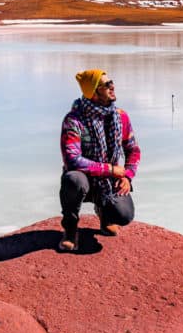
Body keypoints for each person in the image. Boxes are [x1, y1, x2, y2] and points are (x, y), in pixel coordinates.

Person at [59, 69, 141, 251]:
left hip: (109, 181)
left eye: (111, 82)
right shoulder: (74, 120)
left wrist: (127, 176)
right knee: (73, 180)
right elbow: (73, 160)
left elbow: (133, 150)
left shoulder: (120, 117)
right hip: (85, 179)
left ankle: (105, 215)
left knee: (124, 215)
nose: (112, 86)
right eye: (106, 85)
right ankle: (70, 229)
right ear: (93, 93)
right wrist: (110, 170)